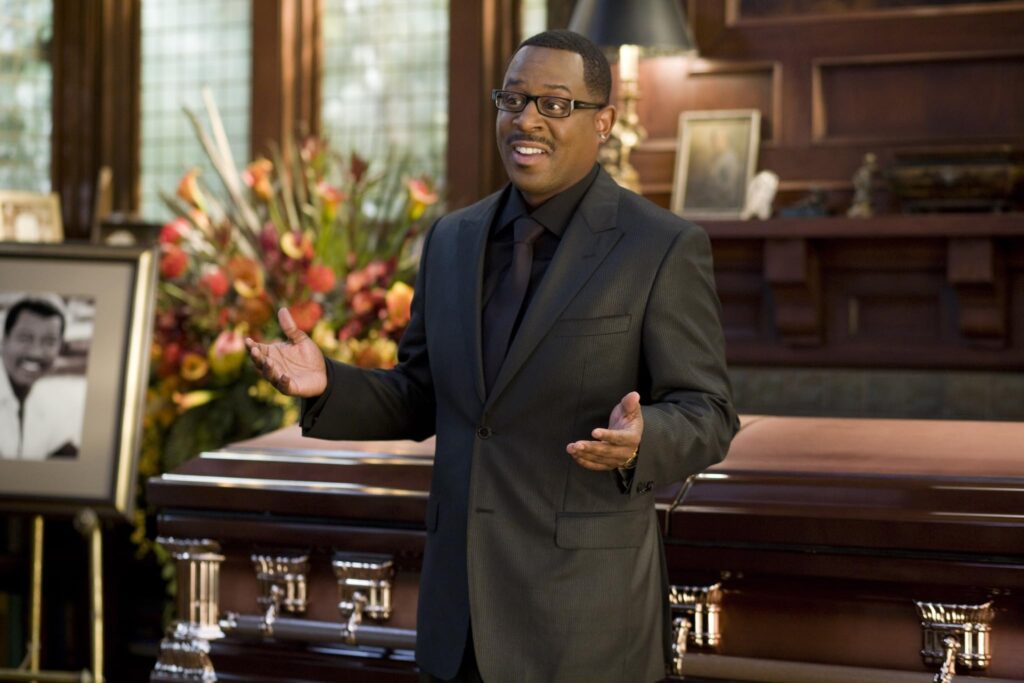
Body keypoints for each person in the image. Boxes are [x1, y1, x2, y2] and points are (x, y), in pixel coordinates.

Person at [247, 29, 738, 683]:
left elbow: (709, 412)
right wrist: (328, 385)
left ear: (604, 122)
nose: (526, 119)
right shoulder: (451, 239)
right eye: (513, 99)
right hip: (460, 619)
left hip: (584, 624)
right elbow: (423, 394)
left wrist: (643, 441)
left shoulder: (661, 246)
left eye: (554, 104)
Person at [0, 297, 84, 459]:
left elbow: (63, 449)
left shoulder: (47, 398)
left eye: (49, 342)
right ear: (4, 340)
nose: (36, 352)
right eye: (25, 339)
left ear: (60, 347)